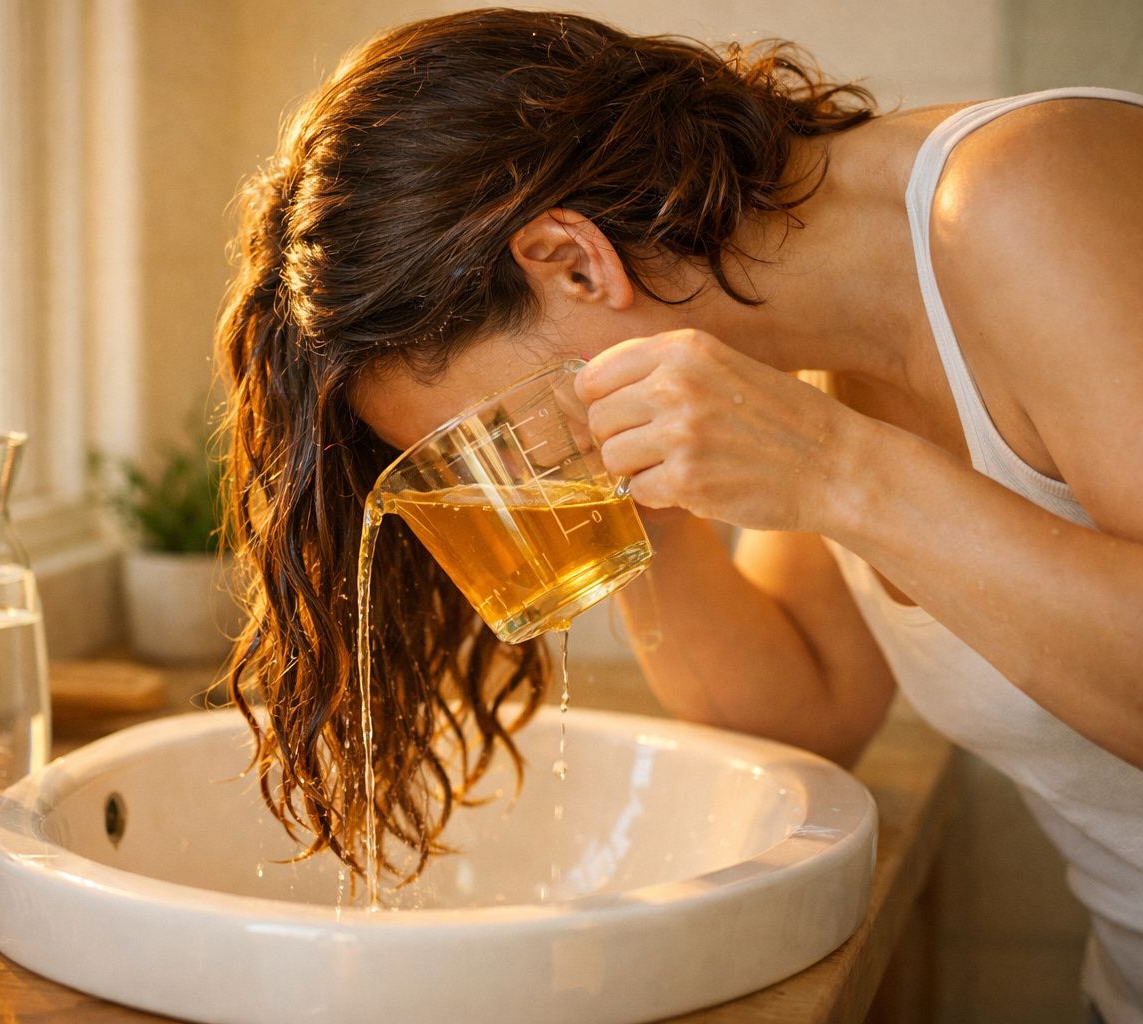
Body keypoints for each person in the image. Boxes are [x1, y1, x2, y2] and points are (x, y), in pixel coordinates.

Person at [215, 8, 1142, 1018]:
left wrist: (843, 474)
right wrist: (636, 507)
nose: (517, 483)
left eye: (505, 441)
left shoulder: (1025, 197)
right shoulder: (812, 350)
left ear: (574, 261)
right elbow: (810, 708)